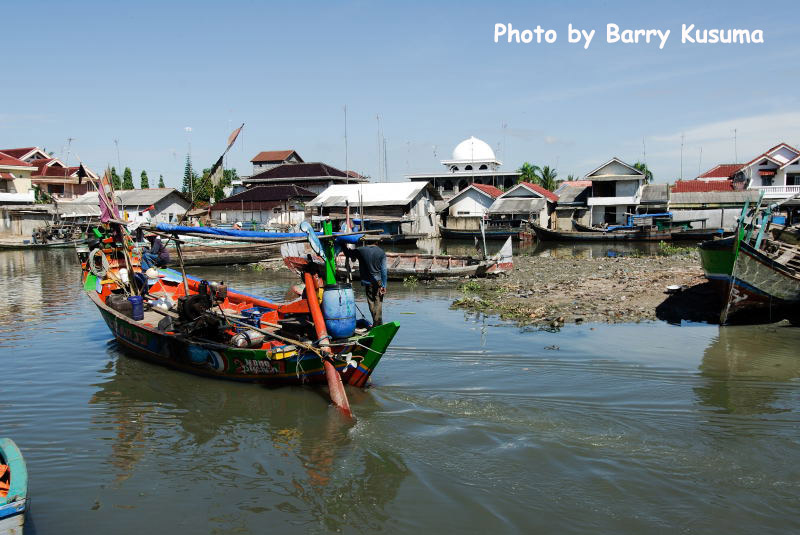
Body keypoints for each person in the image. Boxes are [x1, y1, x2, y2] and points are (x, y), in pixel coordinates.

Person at [344, 245, 388, 325]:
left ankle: (376, 322)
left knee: (371, 301)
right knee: (378, 301)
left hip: (367, 281)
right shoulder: (381, 252)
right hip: (377, 280)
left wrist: (343, 245)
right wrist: (384, 285)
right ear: (377, 242)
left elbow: (348, 253)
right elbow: (384, 270)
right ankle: (377, 323)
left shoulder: (360, 250)